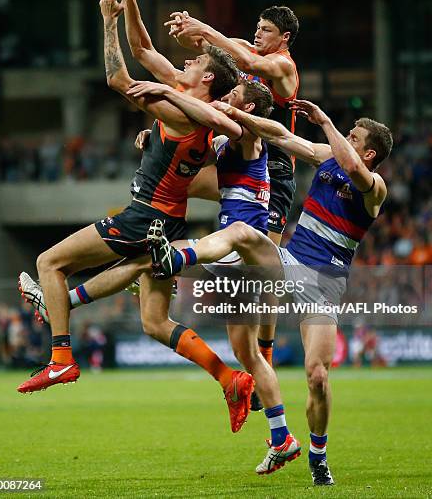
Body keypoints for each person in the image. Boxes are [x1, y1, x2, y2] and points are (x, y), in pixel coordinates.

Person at [17, 0, 257, 434]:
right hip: (169, 219)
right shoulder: (187, 100)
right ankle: (230, 379)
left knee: (50, 261)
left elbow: (117, 78)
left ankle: (61, 357)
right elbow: (144, 49)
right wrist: (130, 4)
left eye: (195, 60)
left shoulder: (183, 111)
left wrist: (106, 20)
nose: (185, 60)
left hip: (146, 215)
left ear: (206, 78)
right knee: (153, 321)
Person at [147, 98, 393, 484]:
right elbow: (282, 135)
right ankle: (178, 260)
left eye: (354, 137)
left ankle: (318, 454)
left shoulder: (374, 187)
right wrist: (236, 116)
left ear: (370, 152)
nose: (346, 138)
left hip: (325, 285)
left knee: (317, 376)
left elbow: (351, 167)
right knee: (243, 234)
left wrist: (327, 118)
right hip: (290, 262)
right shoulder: (329, 155)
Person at [114, 0, 300, 407]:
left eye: (267, 30)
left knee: (260, 274)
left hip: (269, 168)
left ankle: (263, 360)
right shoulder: (236, 61)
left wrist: (203, 30)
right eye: (257, 26)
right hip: (228, 157)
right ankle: (148, 254)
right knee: (166, 183)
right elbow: (165, 53)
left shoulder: (281, 66)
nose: (258, 34)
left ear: (285, 39)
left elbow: (248, 62)